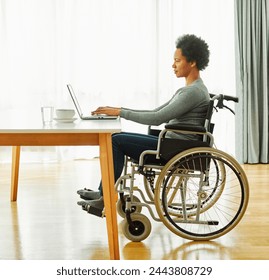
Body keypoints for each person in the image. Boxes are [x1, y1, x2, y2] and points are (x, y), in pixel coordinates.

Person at [77, 34, 210, 215]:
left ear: (192, 62)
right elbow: (156, 113)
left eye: (177, 61)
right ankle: (103, 193)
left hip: (174, 149)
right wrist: (119, 109)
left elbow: (156, 118)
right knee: (115, 138)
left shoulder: (193, 92)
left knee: (115, 141)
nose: (173, 65)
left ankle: (105, 197)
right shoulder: (189, 90)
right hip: (171, 143)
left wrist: (120, 112)